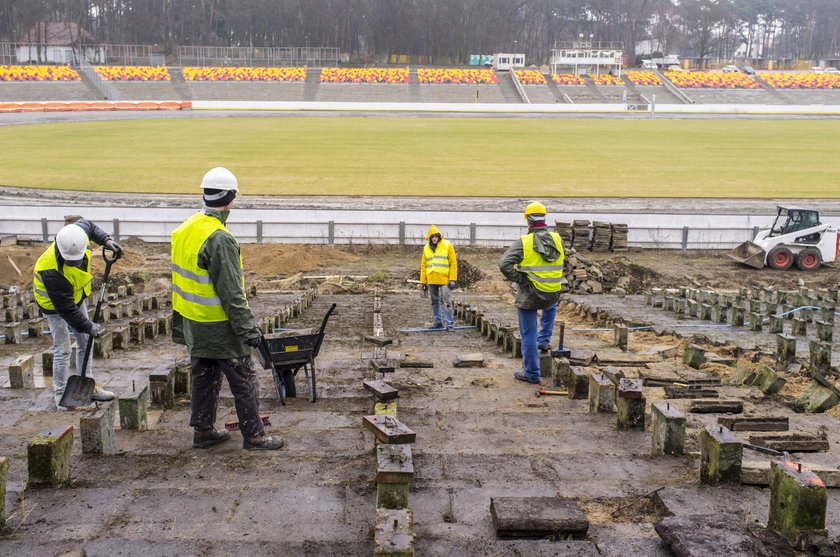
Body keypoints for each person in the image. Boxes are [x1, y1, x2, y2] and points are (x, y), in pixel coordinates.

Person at [171, 167, 284, 451]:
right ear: (231, 197)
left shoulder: (186, 228)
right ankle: (255, 436)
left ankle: (203, 431)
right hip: (220, 326)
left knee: (203, 378)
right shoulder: (219, 238)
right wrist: (250, 330)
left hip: (193, 323)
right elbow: (232, 294)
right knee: (244, 380)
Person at [33, 220, 121, 409]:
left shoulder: (77, 235)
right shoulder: (51, 270)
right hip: (53, 305)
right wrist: (90, 326)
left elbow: (89, 225)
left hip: (74, 296)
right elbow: (67, 310)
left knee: (84, 341)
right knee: (63, 348)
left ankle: (88, 385)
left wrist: (106, 240)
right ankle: (60, 394)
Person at [498, 202, 565, 384]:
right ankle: (543, 341)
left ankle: (532, 373)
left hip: (531, 295)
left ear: (527, 219)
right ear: (545, 217)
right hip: (552, 293)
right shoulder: (558, 239)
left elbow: (504, 263)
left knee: (528, 334)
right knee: (550, 307)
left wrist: (520, 278)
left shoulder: (525, 242)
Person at [419, 225, 458, 331]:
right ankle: (438, 322)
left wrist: (452, 279)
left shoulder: (447, 245)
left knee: (447, 301)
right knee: (434, 301)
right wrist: (423, 281)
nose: (434, 238)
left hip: (445, 279)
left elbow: (453, 263)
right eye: (432, 237)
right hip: (432, 279)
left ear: (439, 237)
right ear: (430, 238)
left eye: (436, 236)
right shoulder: (426, 248)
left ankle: (449, 324)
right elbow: (423, 265)